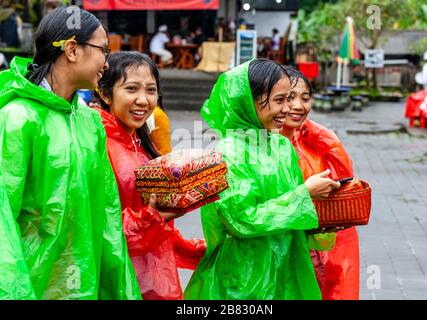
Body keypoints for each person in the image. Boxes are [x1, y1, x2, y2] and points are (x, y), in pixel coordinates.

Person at [0, 7, 141, 299]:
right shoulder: (17, 118)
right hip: (33, 288)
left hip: (84, 288)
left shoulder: (90, 122)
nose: (107, 61)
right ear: (73, 50)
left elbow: (108, 218)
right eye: (103, 49)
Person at [184, 58, 340, 300]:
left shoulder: (281, 146)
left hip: (285, 273)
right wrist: (304, 195)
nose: (288, 108)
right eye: (280, 100)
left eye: (288, 99)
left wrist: (322, 224)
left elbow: (291, 217)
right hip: (243, 278)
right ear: (249, 101)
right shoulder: (227, 153)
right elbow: (241, 221)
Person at [96, 51, 206, 300]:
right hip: (117, 281)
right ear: (104, 93)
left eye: (151, 90)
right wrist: (153, 217)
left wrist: (196, 249)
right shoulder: (97, 144)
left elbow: (158, 226)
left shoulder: (141, 144)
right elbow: (99, 229)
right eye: (132, 89)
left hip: (156, 279)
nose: (143, 100)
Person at [281, 67, 360, 300]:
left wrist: (321, 136)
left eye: (305, 98)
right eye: (288, 98)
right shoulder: (261, 147)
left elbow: (347, 179)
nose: (298, 106)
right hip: (280, 248)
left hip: (318, 249)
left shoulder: (313, 143)